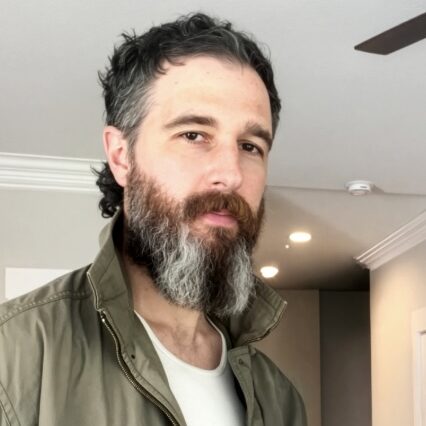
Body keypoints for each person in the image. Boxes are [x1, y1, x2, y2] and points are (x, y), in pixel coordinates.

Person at [0, 13, 306, 426]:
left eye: (250, 146)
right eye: (194, 135)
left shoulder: (280, 398)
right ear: (121, 155)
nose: (231, 174)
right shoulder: (14, 358)